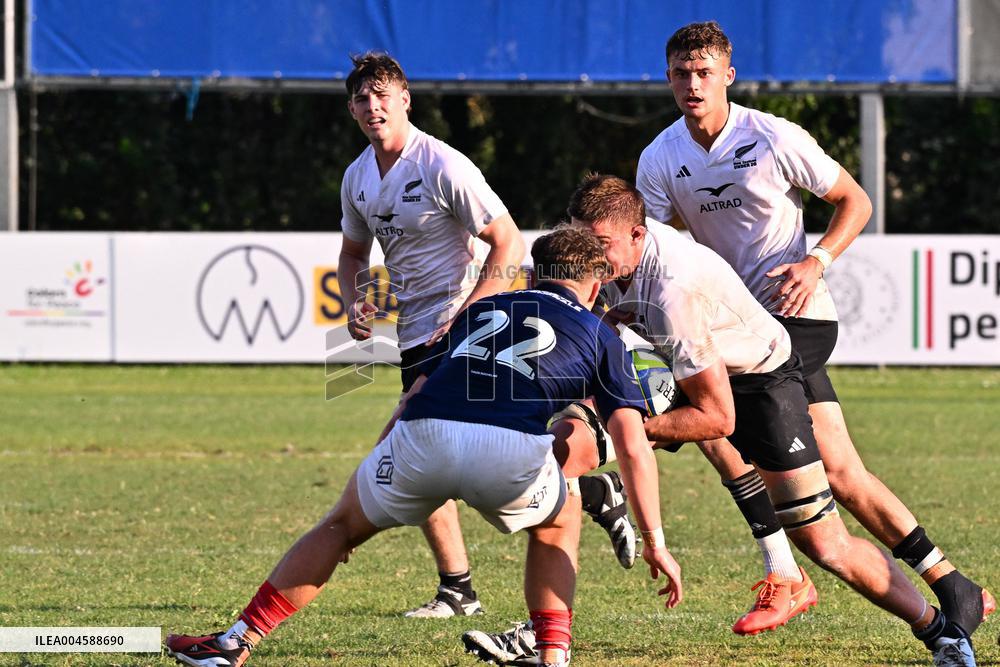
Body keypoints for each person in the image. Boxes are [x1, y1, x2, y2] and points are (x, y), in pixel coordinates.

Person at [463, 175, 976, 667]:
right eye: (581, 239)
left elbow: (717, 416)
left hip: (760, 383)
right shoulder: (614, 256)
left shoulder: (672, 292)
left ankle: (940, 633)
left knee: (826, 544)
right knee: (563, 452)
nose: (591, 257)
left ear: (639, 234)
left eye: (600, 244)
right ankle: (548, 633)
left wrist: (633, 433)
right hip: (674, 367)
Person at [165, 227, 684, 667]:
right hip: (507, 452)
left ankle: (233, 643)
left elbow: (413, 392)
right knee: (561, 517)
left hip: (422, 435)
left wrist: (373, 472)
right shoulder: (599, 331)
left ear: (534, 273)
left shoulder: (484, 309)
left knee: (338, 528)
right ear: (595, 285)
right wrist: (656, 541)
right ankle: (552, 656)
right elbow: (632, 445)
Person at [635, 20, 993, 639]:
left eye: (704, 73)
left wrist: (816, 260)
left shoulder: (771, 136)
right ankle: (953, 584)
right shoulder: (661, 157)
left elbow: (856, 200)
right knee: (844, 472)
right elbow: (657, 246)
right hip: (735, 326)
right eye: (680, 74)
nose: (692, 85)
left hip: (796, 319)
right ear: (668, 78)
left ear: (729, 76)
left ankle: (788, 574)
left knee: (708, 413)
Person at [336, 51, 522, 618]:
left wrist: (471, 315)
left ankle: (459, 586)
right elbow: (350, 254)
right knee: (433, 458)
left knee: (417, 450)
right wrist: (354, 300)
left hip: (467, 327)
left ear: (405, 99)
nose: (374, 108)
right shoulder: (358, 177)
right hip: (414, 335)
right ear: (352, 108)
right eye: (363, 100)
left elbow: (509, 243)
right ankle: (458, 589)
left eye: (383, 96)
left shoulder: (442, 164)